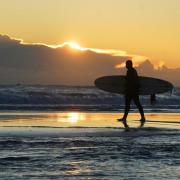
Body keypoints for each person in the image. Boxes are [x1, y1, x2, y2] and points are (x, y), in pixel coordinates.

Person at [118, 60, 145, 128]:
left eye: (127, 64)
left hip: (132, 91)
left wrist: (126, 87)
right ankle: (125, 118)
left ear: (130, 65)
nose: (126, 65)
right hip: (132, 90)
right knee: (130, 105)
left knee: (135, 104)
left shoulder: (131, 71)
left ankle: (142, 117)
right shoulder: (132, 71)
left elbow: (131, 81)